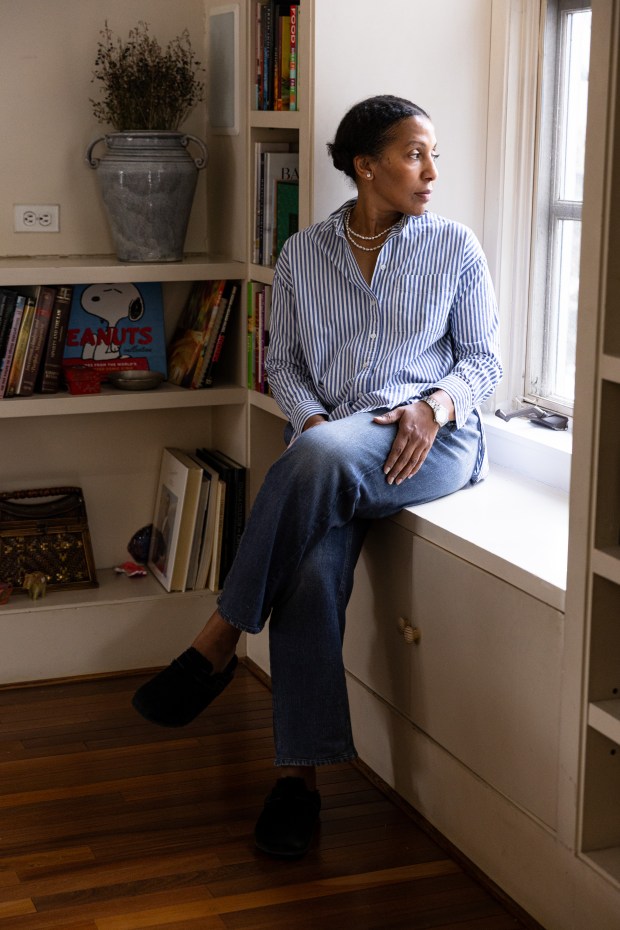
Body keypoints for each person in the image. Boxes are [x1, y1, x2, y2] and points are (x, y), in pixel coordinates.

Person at [132, 94, 502, 858]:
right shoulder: (303, 254)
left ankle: (219, 636)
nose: (432, 170)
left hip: (426, 442)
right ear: (366, 167)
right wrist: (310, 426)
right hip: (330, 450)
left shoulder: (455, 247)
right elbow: (284, 365)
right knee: (306, 571)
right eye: (413, 154)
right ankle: (299, 781)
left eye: (434, 153)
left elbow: (485, 361)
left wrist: (434, 406)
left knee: (325, 456)